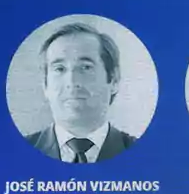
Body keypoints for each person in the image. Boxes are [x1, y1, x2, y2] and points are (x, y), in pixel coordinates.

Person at [24, 21, 135, 163]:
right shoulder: (13, 154)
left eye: (85, 67)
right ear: (45, 85)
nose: (72, 82)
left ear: (113, 80)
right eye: (59, 69)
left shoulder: (146, 155)